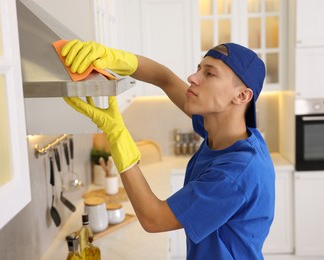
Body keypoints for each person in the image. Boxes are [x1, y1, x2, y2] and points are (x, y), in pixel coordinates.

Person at [62, 39, 275, 259]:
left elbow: (154, 219)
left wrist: (116, 133)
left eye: (209, 74)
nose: (193, 78)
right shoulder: (225, 130)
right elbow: (163, 78)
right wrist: (114, 57)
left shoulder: (236, 173)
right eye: (198, 69)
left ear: (242, 96)